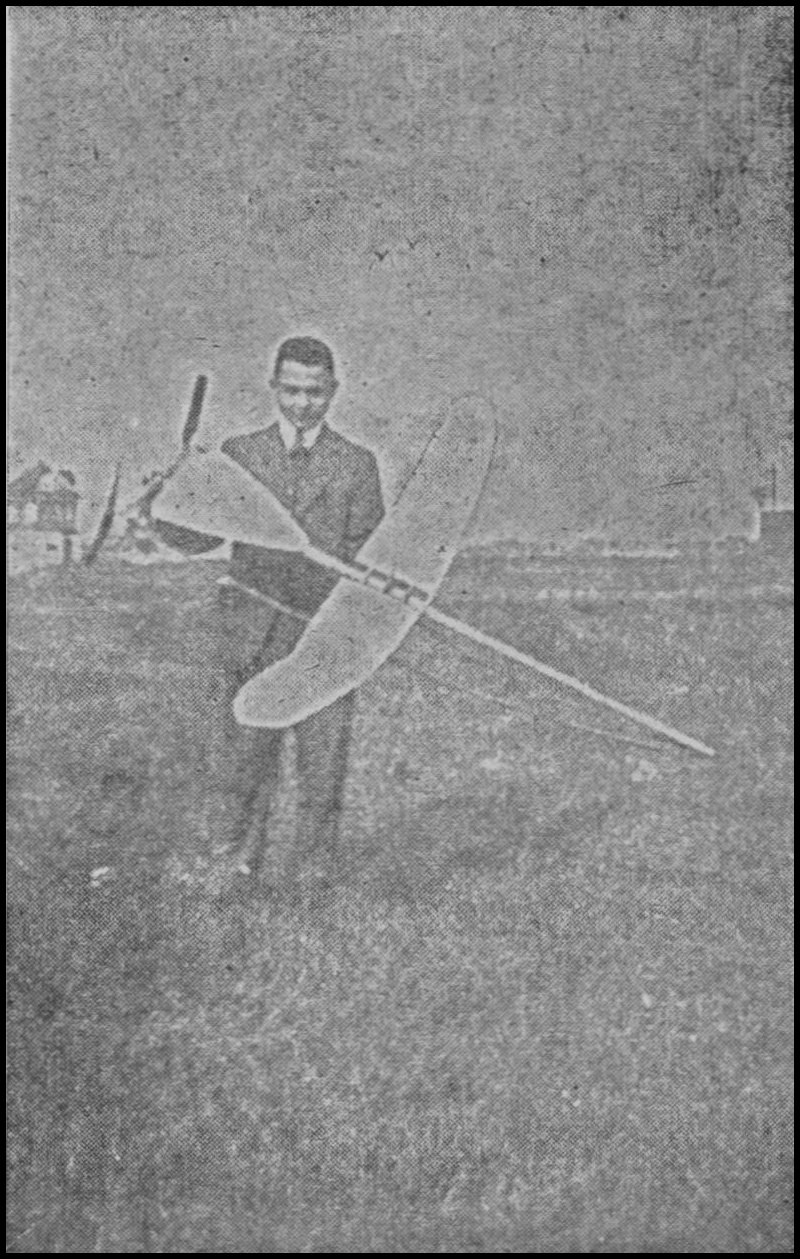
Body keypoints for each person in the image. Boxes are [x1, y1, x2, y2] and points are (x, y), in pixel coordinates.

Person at [156, 337, 385, 884]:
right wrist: (175, 493)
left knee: (322, 767)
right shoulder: (240, 455)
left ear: (333, 391)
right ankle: (233, 867)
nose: (302, 403)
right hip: (252, 633)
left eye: (315, 392)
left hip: (325, 636)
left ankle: (312, 878)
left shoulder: (357, 463)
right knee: (241, 763)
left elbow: (369, 550)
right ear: (274, 387)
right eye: (291, 390)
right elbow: (195, 537)